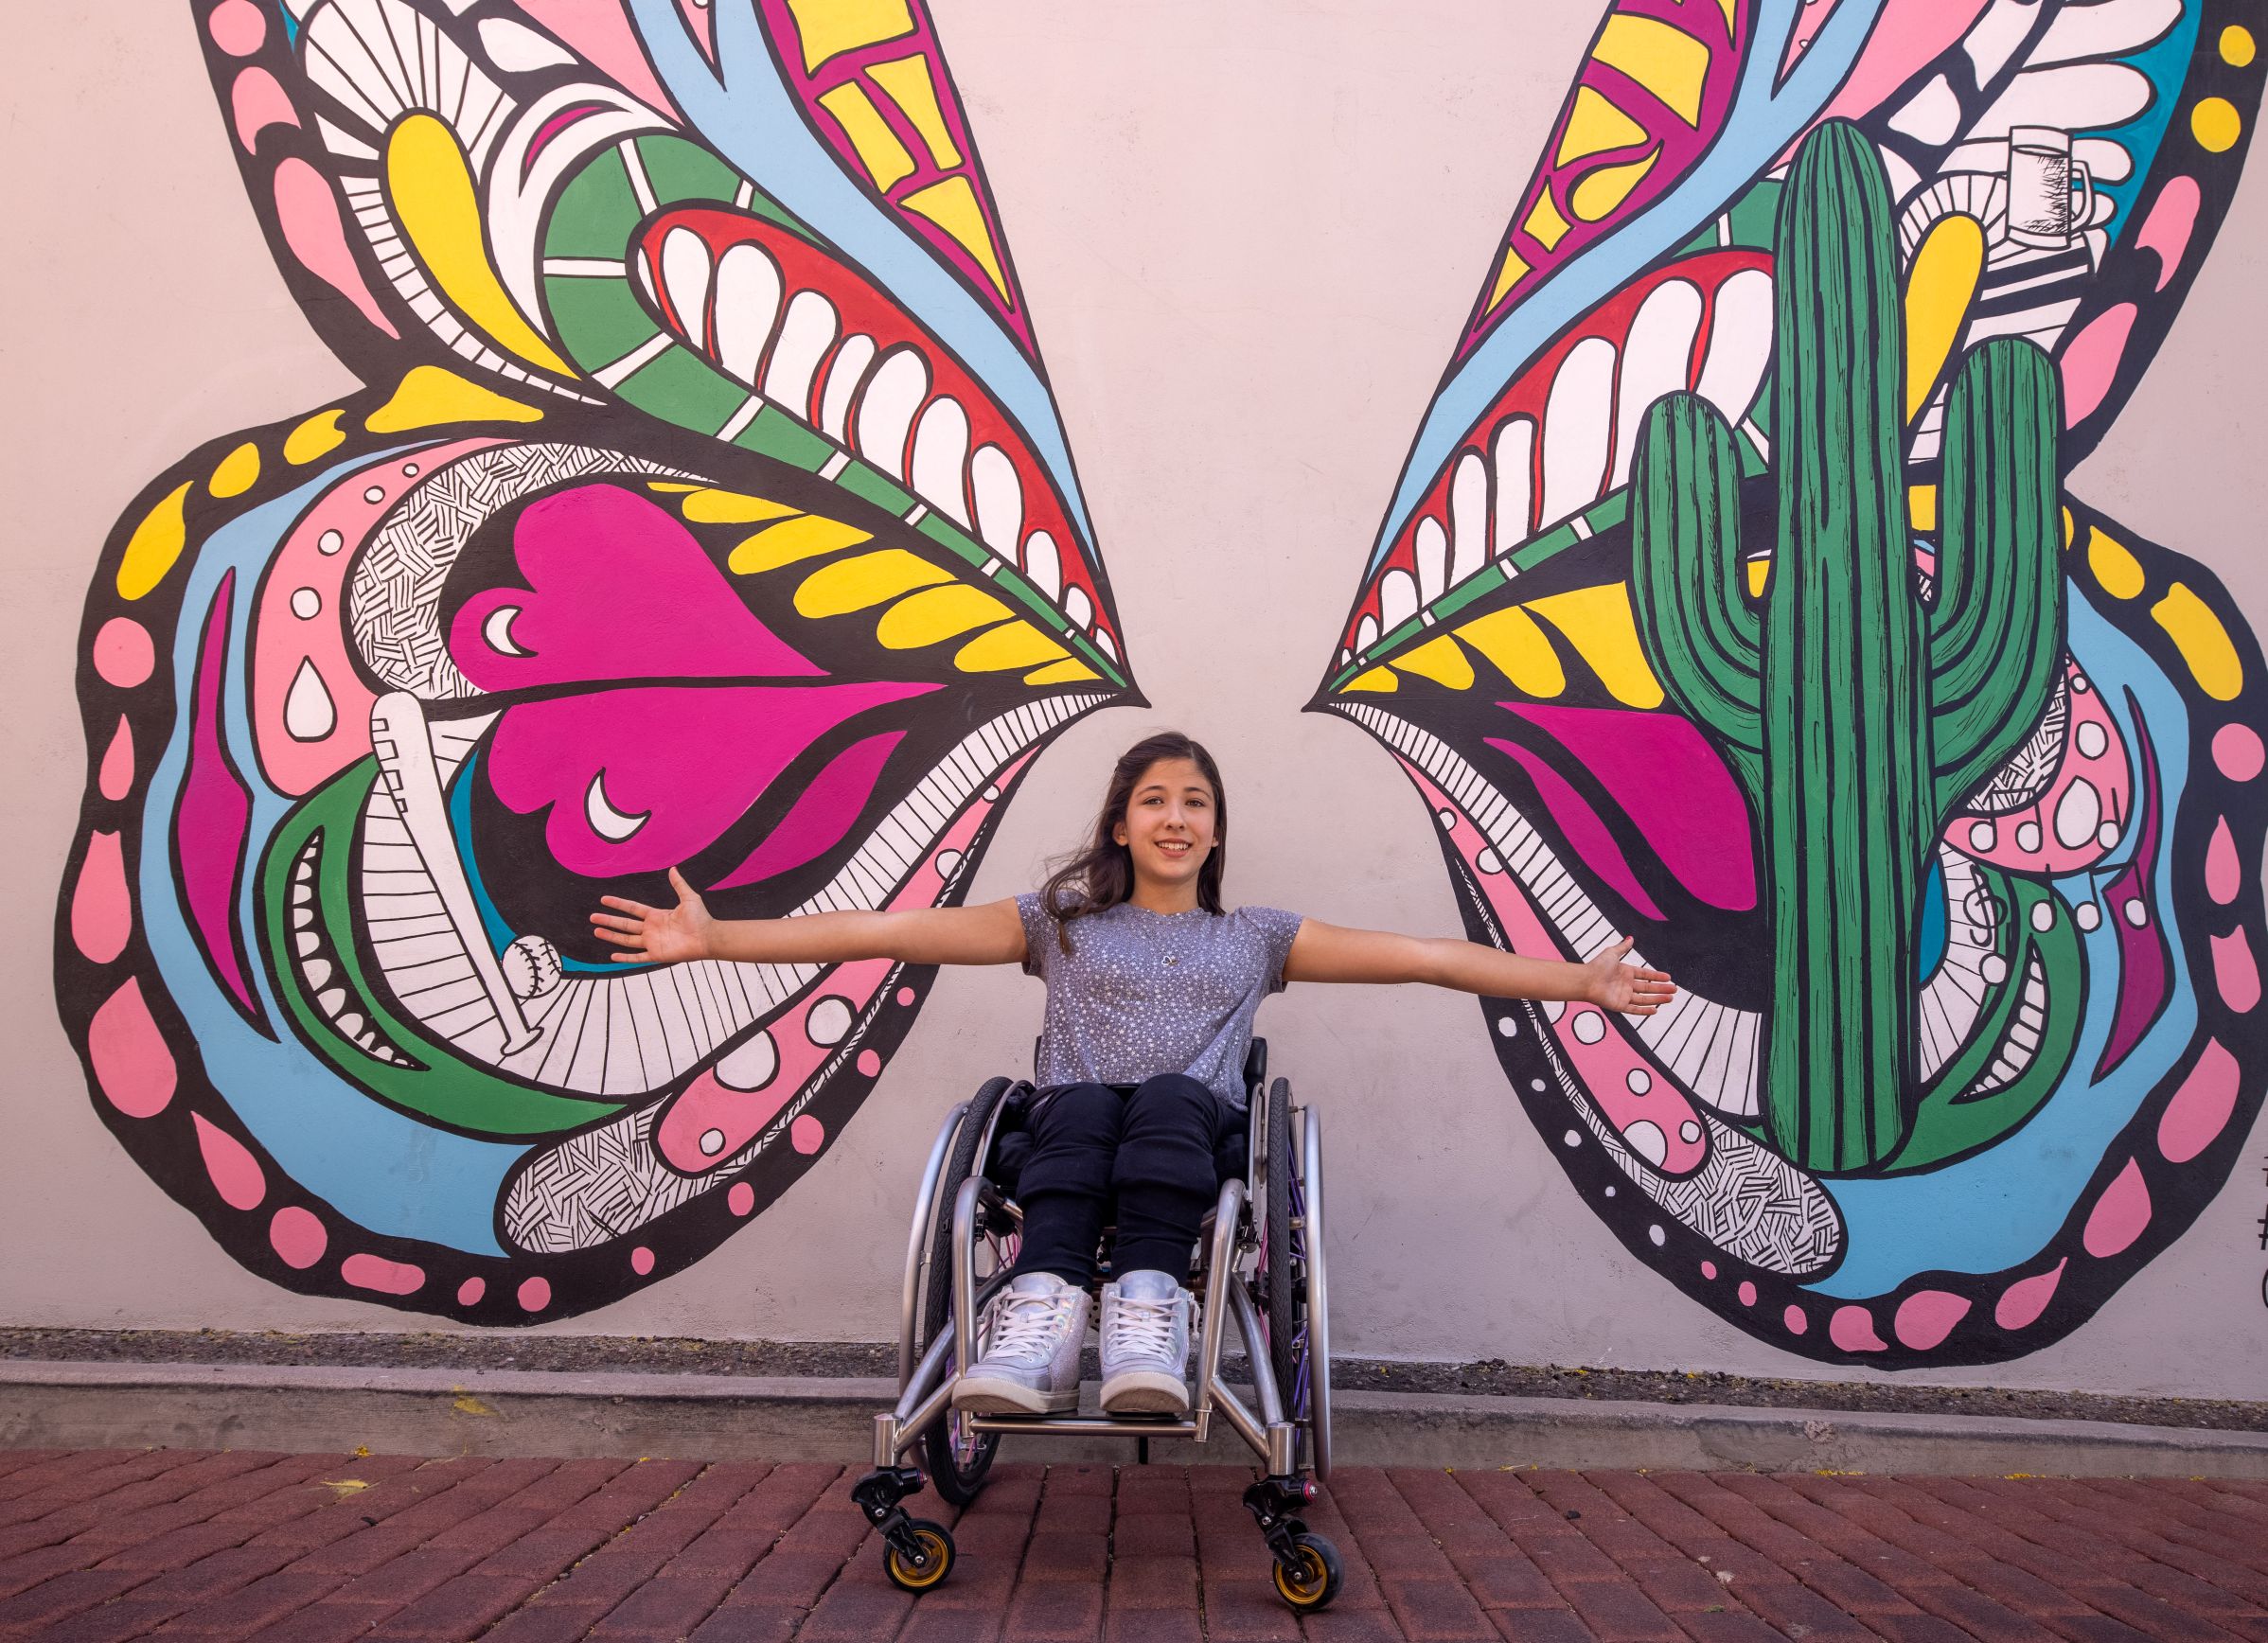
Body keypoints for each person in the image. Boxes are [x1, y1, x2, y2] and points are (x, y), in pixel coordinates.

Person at [590, 731, 1674, 1418]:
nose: (1175, 816)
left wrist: (1575, 981)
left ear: (1214, 831)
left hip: (1190, 1137)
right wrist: (718, 938)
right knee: (1078, 1108)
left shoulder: (1255, 936)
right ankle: (1044, 1314)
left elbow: (1428, 957)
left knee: (1162, 1095)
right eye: (1154, 798)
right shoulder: (1055, 921)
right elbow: (888, 928)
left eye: (1195, 801)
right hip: (1067, 1132)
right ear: (1122, 821)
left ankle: (1148, 1305)